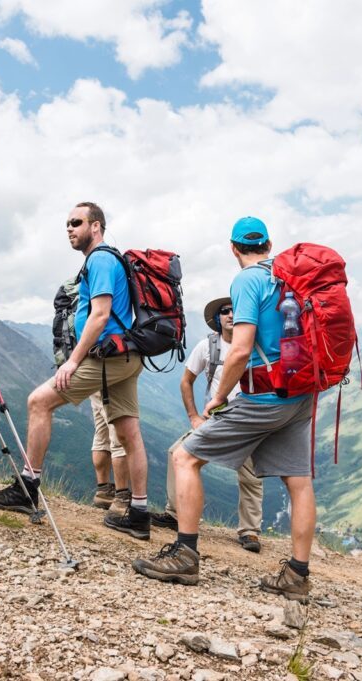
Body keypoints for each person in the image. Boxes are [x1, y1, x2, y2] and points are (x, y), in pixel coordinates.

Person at [133, 217, 316, 602]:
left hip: (264, 396)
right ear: (269, 244)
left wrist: (218, 397)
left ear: (234, 249)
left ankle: (185, 554)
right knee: (298, 482)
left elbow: (241, 348)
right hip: (301, 393)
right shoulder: (291, 278)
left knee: (184, 457)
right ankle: (297, 575)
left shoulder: (248, 281)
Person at [0, 202, 152, 539]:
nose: (70, 229)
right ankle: (139, 514)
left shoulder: (100, 259)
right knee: (129, 432)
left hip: (106, 358)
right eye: (67, 224)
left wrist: (73, 362)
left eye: (76, 222)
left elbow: (100, 315)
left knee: (38, 402)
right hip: (128, 356)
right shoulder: (112, 259)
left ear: (96, 226)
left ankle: (27, 487)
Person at [149, 297, 265, 552]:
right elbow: (185, 380)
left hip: (247, 418)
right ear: (217, 319)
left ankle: (250, 532)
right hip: (218, 418)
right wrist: (193, 416)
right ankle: (175, 513)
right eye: (225, 311)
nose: (231, 315)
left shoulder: (256, 345)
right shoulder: (207, 346)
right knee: (175, 453)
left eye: (237, 309)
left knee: (251, 475)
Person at [90, 393, 131, 516]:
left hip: (97, 383)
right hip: (110, 384)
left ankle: (104, 492)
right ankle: (122, 500)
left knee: (102, 434)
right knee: (119, 437)